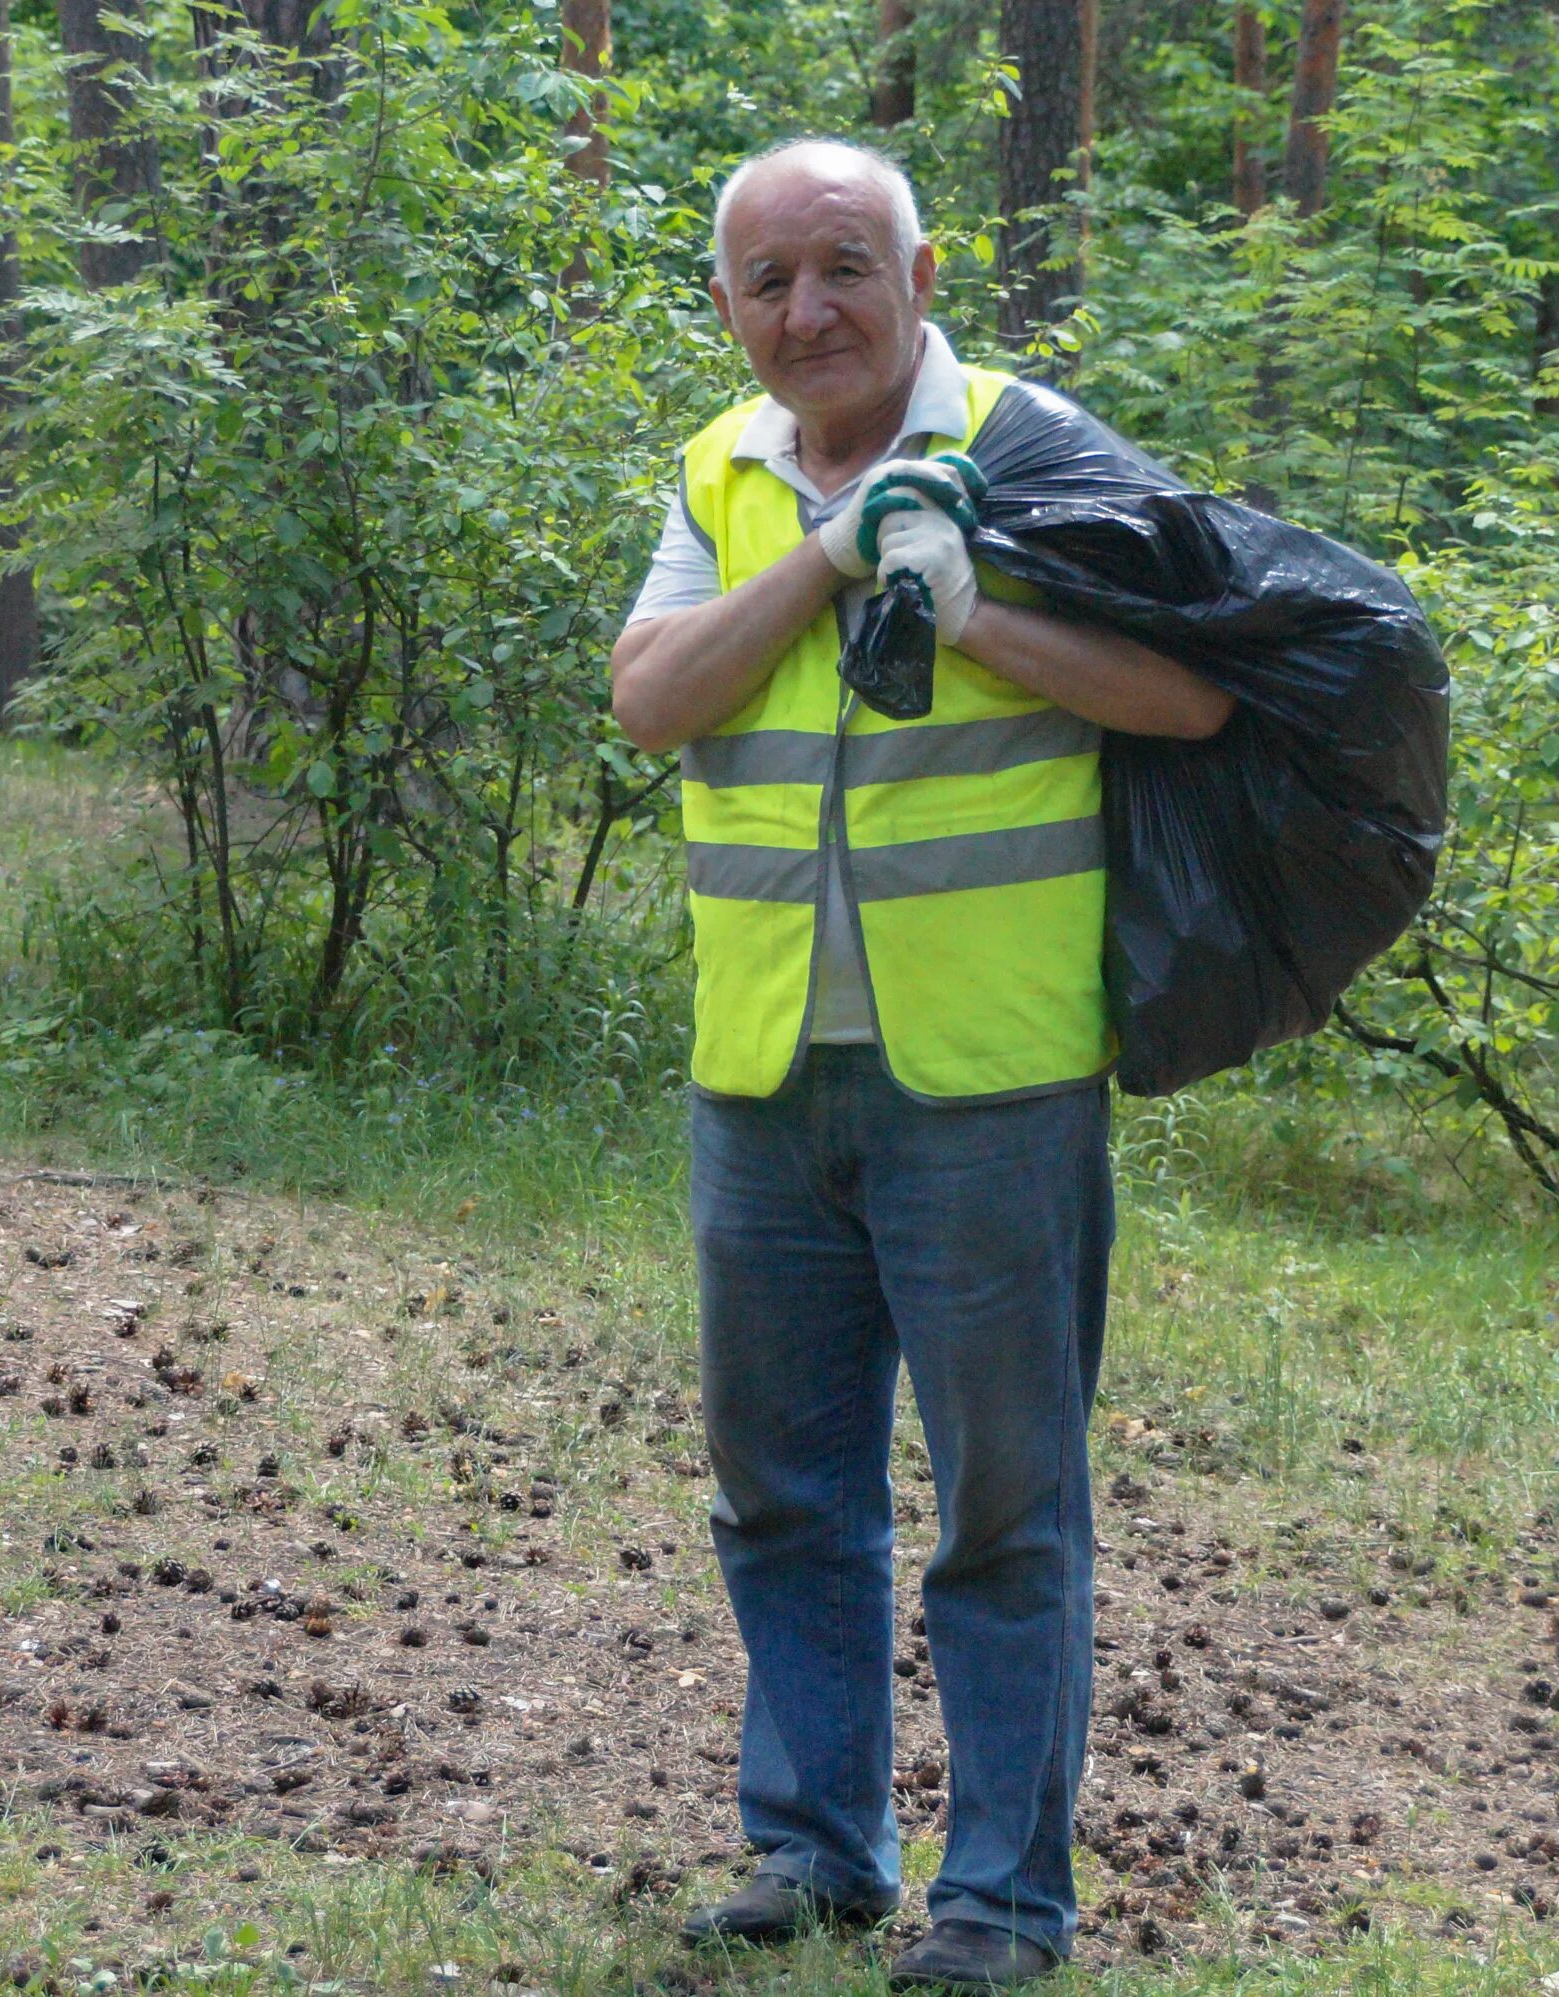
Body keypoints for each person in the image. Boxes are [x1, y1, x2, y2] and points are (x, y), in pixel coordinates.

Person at [609, 138, 1231, 1990]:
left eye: (845, 268)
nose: (809, 310)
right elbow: (651, 699)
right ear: (727, 304)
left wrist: (971, 606)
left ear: (922, 270)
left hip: (993, 1081)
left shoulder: (1040, 450)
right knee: (782, 1489)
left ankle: (1003, 1902)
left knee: (1007, 1507)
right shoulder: (722, 473)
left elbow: (1191, 693)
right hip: (765, 1069)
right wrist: (828, 553)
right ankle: (815, 1853)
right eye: (769, 280)